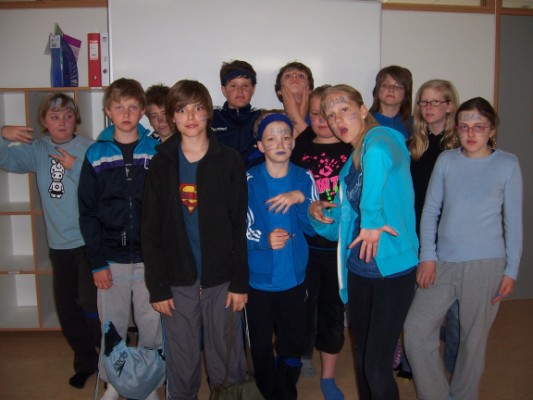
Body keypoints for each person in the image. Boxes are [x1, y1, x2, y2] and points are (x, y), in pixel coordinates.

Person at [404, 97, 523, 400]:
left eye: (479, 126)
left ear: (491, 130)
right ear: (456, 129)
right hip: (442, 263)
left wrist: (511, 270)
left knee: (472, 343)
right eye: (464, 126)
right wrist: (427, 256)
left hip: (486, 265)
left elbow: (513, 221)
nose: (471, 133)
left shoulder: (507, 164)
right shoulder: (447, 160)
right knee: (416, 330)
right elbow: (431, 210)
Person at [308, 84, 419, 400]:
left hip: (391, 271)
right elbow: (340, 229)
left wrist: (371, 218)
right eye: (330, 115)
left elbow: (380, 154)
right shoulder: (350, 165)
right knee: (360, 357)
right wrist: (317, 215)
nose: (337, 120)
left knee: (376, 365)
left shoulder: (383, 139)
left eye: (344, 110)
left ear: (362, 110)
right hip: (358, 270)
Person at [141, 80, 249, 399]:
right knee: (182, 363)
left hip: (222, 281)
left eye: (198, 108)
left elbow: (239, 226)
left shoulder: (229, 160)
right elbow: (150, 230)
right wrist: (158, 287)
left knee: (228, 362)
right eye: (182, 109)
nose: (190, 116)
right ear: (172, 116)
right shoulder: (161, 163)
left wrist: (240, 283)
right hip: (177, 283)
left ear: (208, 113)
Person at [0, 94, 100, 390]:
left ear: (76, 120)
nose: (62, 122)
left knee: (91, 303)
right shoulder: (38, 149)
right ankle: (86, 361)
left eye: (68, 116)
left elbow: (105, 187)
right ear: (44, 121)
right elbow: (5, 159)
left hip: (88, 242)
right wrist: (2, 134)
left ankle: (112, 354)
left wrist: (76, 166)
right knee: (66, 309)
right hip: (59, 245)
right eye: (54, 117)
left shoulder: (89, 148)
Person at [78, 78, 162, 400]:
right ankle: (114, 382)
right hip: (111, 260)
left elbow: (166, 208)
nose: (126, 114)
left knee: (151, 325)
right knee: (112, 326)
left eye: (132, 107)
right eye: (119, 107)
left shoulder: (156, 151)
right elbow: (87, 212)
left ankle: (149, 382)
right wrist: (97, 262)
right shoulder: (96, 154)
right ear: (107, 111)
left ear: (142, 111)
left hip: (150, 259)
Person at [246, 110, 318, 400]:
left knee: (292, 342)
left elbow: (314, 229)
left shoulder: (304, 177)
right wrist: (264, 240)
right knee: (261, 344)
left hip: (294, 277)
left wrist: (301, 200)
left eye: (286, 137)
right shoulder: (249, 180)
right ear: (260, 146)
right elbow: (237, 227)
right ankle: (266, 389)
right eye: (271, 138)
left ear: (293, 142)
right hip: (258, 280)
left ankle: (286, 391)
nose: (280, 143)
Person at [290, 85, 352, 400]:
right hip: (304, 244)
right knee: (300, 305)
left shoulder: (351, 148)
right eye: (315, 114)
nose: (323, 121)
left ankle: (328, 376)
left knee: (332, 309)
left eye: (328, 115)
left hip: (337, 249)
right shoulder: (300, 147)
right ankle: (299, 355)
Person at [211, 59, 263, 168]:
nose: (240, 90)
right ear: (224, 90)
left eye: (245, 85)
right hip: (220, 177)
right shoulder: (211, 118)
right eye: (233, 85)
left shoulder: (262, 119)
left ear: (253, 90)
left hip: (253, 177)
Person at [368, 65, 413, 140]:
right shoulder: (364, 122)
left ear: (406, 93)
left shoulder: (414, 125)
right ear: (377, 90)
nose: (391, 89)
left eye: (398, 86)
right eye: (385, 85)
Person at [274, 61, 314, 137]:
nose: (295, 77)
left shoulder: (318, 117)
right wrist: (299, 116)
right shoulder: (273, 120)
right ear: (279, 91)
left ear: (310, 90)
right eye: (288, 76)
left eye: (301, 76)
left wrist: (295, 115)